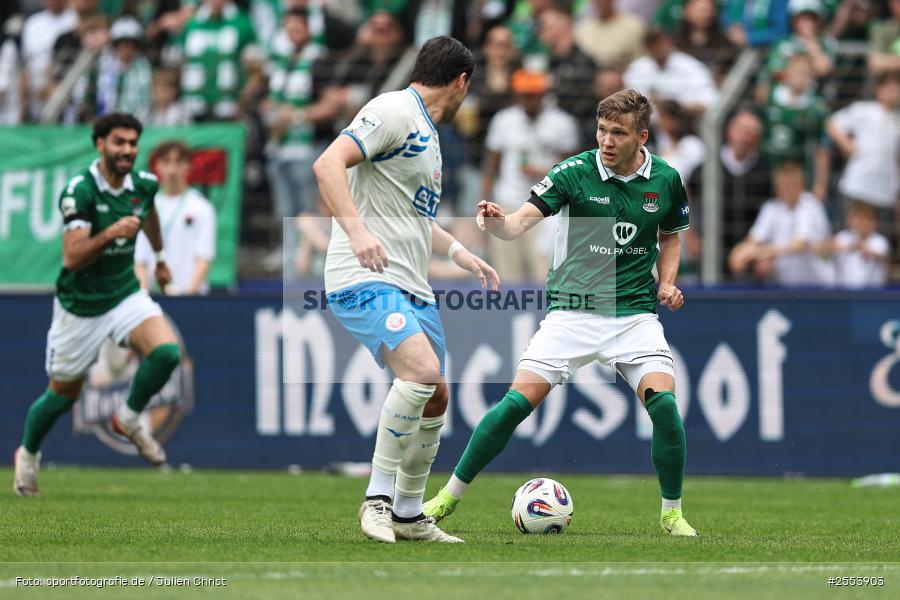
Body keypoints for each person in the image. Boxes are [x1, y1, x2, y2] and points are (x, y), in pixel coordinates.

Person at [423, 89, 700, 537]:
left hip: (633, 316)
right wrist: (497, 220)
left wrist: (667, 281)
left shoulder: (665, 179)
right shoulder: (573, 173)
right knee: (514, 405)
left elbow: (670, 235)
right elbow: (517, 224)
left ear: (641, 137)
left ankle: (672, 512)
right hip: (572, 312)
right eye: (602, 130)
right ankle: (446, 498)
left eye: (618, 133)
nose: (607, 141)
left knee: (665, 408)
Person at [313, 36, 499, 544]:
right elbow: (327, 165)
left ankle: (410, 513)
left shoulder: (427, 131)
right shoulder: (392, 110)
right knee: (420, 372)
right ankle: (376, 500)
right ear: (461, 82)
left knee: (436, 395)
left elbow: (414, 218)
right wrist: (356, 231)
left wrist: (459, 253)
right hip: (364, 274)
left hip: (411, 283)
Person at [14, 113, 181, 497]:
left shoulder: (143, 184)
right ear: (100, 144)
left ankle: (128, 417)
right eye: (119, 142)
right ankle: (28, 453)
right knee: (62, 395)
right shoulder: (80, 191)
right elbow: (72, 257)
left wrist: (160, 257)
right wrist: (111, 232)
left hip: (124, 293)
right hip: (81, 307)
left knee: (167, 353)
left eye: (133, 143)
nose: (127, 150)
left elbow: (148, 212)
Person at [480, 68, 579, 282]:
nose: (529, 99)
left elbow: (573, 171)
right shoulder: (504, 120)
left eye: (534, 94)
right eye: (525, 94)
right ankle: (511, 316)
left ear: (544, 94)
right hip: (507, 202)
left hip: (546, 207)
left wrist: (541, 171)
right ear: (517, 95)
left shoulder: (561, 123)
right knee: (507, 273)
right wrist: (485, 201)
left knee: (543, 273)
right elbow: (491, 164)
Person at [728, 161, 833, 286]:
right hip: (784, 287)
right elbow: (754, 239)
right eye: (783, 185)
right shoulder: (771, 208)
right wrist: (742, 253)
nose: (787, 190)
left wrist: (762, 253)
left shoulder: (811, 205)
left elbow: (799, 245)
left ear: (801, 185)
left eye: (791, 185)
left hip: (817, 287)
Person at [135, 140, 217, 296]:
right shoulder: (146, 207)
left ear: (189, 166)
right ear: (157, 166)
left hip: (192, 299)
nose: (172, 169)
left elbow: (204, 258)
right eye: (166, 162)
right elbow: (140, 261)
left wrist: (187, 299)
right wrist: (144, 299)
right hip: (153, 300)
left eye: (179, 162)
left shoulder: (202, 208)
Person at [826, 201, 890, 289]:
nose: (863, 223)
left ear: (874, 222)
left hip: (873, 294)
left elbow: (883, 256)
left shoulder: (880, 240)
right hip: (844, 293)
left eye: (867, 219)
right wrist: (832, 247)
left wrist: (863, 248)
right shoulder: (842, 237)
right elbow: (824, 254)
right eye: (858, 218)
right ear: (849, 221)